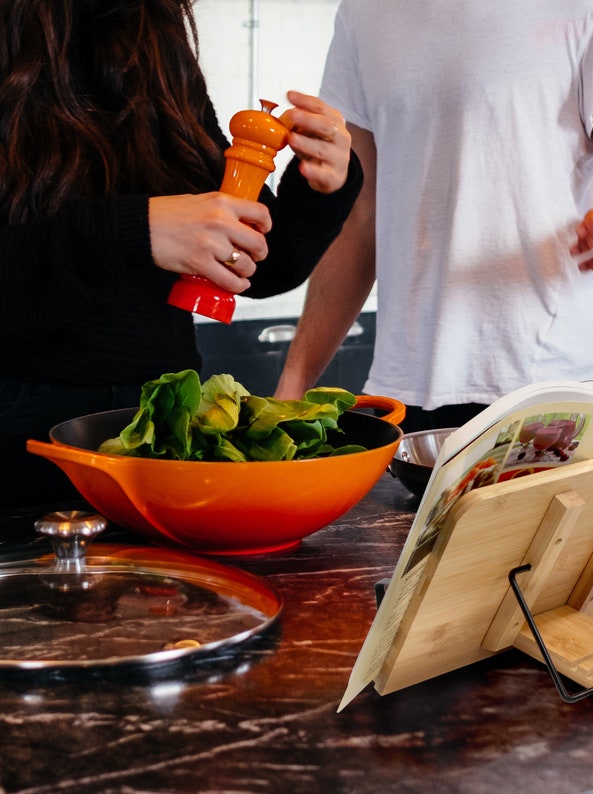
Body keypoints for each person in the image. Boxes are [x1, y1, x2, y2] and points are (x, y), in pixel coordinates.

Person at [0, 0, 362, 507]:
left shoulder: (149, 28)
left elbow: (252, 264)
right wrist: (138, 229)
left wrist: (318, 190)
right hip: (17, 442)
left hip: (160, 422)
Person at [274, 0, 593, 433]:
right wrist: (292, 386)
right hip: (407, 397)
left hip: (558, 391)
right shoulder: (362, 13)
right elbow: (358, 220)